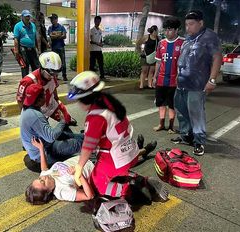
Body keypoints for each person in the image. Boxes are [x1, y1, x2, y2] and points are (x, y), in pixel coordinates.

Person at [68, 71, 168, 201]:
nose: (78, 103)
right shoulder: (108, 102)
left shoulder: (95, 117)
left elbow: (88, 146)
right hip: (130, 150)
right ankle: (135, 180)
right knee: (100, 174)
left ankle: (135, 187)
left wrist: (79, 166)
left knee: (97, 185)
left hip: (114, 158)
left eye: (78, 100)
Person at [25, 133, 165, 204]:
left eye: (39, 178)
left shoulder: (47, 175)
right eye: (42, 182)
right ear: (48, 191)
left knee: (113, 148)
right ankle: (144, 150)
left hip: (86, 158)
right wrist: (79, 176)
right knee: (119, 159)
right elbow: (89, 195)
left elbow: (44, 169)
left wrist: (41, 149)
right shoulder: (62, 191)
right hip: (95, 169)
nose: (42, 177)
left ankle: (139, 149)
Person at [171, 10, 222, 156]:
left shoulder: (209, 37)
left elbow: (217, 58)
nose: (188, 27)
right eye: (186, 24)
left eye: (191, 24)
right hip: (182, 83)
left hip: (197, 84)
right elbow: (183, 57)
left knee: (196, 112)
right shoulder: (188, 38)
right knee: (181, 111)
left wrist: (212, 79)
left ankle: (199, 141)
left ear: (201, 23)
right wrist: (177, 77)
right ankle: (186, 135)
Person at [20, 83, 83, 173]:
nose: (46, 97)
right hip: (43, 153)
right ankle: (92, 150)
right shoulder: (35, 115)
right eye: (44, 95)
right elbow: (51, 137)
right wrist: (62, 120)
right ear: (38, 100)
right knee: (75, 143)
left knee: (66, 134)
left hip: (43, 144)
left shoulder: (27, 108)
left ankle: (85, 137)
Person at [16, 52, 77, 126]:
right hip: (37, 111)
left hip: (51, 106)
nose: (53, 76)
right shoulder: (27, 81)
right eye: (51, 74)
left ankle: (66, 121)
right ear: (42, 68)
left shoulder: (51, 76)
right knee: (47, 134)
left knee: (66, 123)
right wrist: (25, 118)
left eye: (56, 73)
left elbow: (54, 92)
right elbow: (20, 100)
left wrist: (61, 108)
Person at [152, 17, 184, 133]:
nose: (167, 32)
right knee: (161, 103)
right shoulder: (161, 43)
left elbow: (184, 63)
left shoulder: (182, 43)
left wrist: (180, 76)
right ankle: (161, 124)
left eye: (170, 30)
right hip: (161, 79)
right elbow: (158, 62)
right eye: (165, 30)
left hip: (174, 80)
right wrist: (155, 77)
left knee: (172, 104)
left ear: (176, 30)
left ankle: (171, 126)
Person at [13, 10, 40, 78]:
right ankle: (25, 83)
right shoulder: (18, 26)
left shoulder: (33, 25)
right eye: (26, 17)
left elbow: (35, 38)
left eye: (28, 16)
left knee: (36, 67)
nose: (28, 18)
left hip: (32, 49)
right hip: (23, 50)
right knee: (25, 68)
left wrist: (38, 49)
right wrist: (16, 51)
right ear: (22, 17)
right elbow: (16, 39)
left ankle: (35, 83)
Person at [138, 25, 159, 89]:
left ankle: (149, 84)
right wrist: (141, 51)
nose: (157, 32)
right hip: (145, 56)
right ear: (154, 31)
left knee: (151, 71)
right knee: (144, 71)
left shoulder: (158, 38)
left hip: (153, 57)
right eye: (157, 30)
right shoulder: (146, 37)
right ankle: (141, 84)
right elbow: (138, 43)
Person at [48, 13, 67, 81]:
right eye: (51, 19)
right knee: (54, 62)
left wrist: (55, 36)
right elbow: (51, 36)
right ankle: (55, 76)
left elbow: (64, 36)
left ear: (56, 19)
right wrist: (59, 35)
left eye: (52, 19)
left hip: (61, 47)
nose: (51, 20)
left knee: (63, 62)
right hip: (54, 47)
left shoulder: (61, 27)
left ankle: (64, 76)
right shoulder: (50, 28)